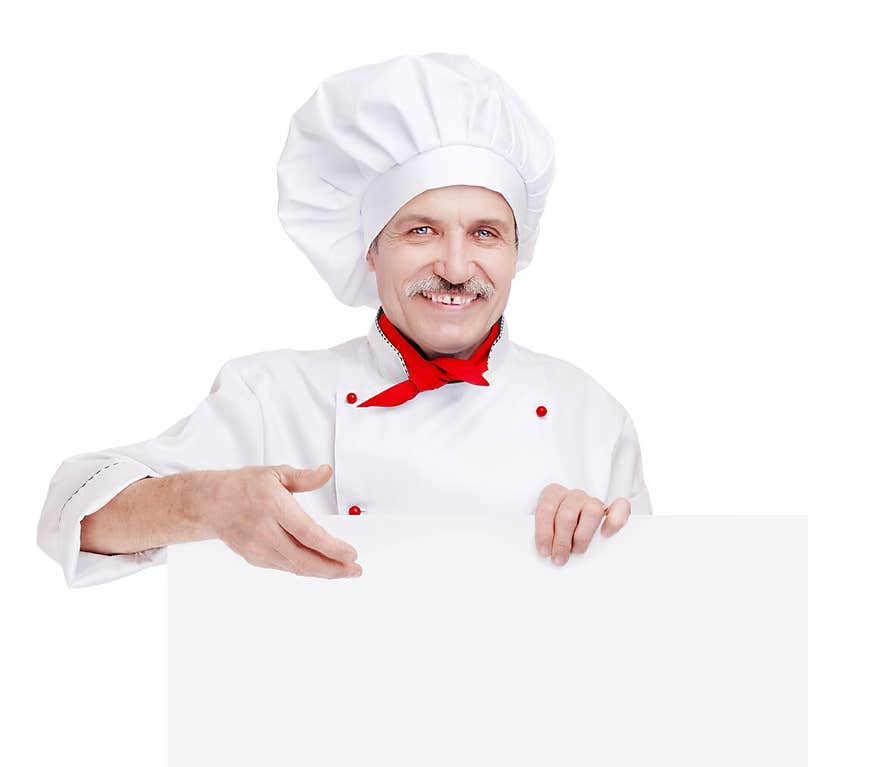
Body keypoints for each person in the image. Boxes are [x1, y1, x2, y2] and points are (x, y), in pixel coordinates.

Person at [37, 52, 652, 589]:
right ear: (369, 250)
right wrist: (205, 502)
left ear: (518, 252)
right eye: (421, 230)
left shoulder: (591, 416)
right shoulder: (273, 398)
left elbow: (653, 626)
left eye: (485, 233)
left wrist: (608, 556)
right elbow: (74, 515)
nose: (458, 267)